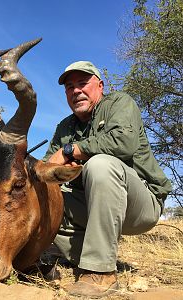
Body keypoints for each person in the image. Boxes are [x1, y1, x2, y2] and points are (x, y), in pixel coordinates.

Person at [43, 61, 172, 298]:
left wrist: (71, 151)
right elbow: (48, 168)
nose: (76, 91)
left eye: (83, 83)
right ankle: (74, 257)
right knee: (42, 198)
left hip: (138, 206)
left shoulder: (120, 103)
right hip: (92, 206)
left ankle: (101, 272)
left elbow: (123, 143)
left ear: (100, 86)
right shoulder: (64, 126)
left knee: (100, 165)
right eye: (70, 87)